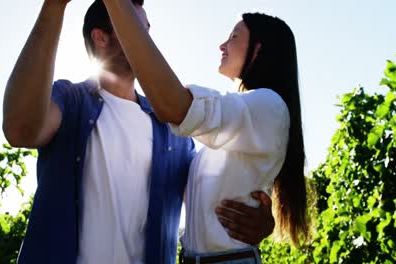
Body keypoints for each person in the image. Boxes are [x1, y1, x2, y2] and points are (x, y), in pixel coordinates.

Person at [2, 0, 275, 263]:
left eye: (145, 30)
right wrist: (54, 5)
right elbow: (20, 130)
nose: (146, 39)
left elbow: (207, 199)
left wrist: (261, 220)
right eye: (134, 26)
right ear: (101, 38)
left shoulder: (173, 131)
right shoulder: (69, 101)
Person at [102, 1, 310, 263]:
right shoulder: (236, 120)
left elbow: (175, 107)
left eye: (234, 37)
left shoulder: (268, 105)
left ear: (258, 49)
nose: (222, 45)